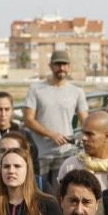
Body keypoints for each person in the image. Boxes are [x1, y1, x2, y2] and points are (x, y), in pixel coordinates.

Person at [24, 49, 89, 185]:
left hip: (66, 152)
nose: (61, 68)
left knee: (61, 194)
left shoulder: (77, 92)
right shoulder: (36, 89)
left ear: (69, 67)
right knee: (39, 195)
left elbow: (86, 121)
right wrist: (51, 134)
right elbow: (28, 119)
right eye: (58, 64)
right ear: (51, 66)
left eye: (65, 64)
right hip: (41, 154)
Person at [55, 108, 108, 191]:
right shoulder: (70, 165)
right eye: (83, 133)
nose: (84, 138)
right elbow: (61, 199)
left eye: (89, 134)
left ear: (107, 136)